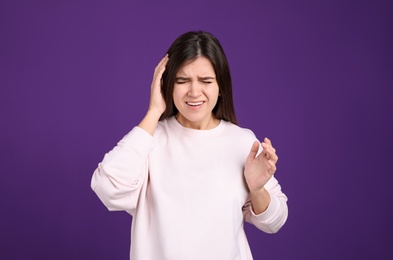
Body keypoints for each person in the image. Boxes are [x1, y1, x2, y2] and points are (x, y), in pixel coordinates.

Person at [91, 31, 288, 260]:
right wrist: (154, 111)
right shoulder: (150, 140)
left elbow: (275, 222)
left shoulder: (242, 142)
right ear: (166, 84)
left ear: (220, 86)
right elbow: (107, 187)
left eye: (206, 81)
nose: (194, 92)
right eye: (182, 81)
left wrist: (257, 189)